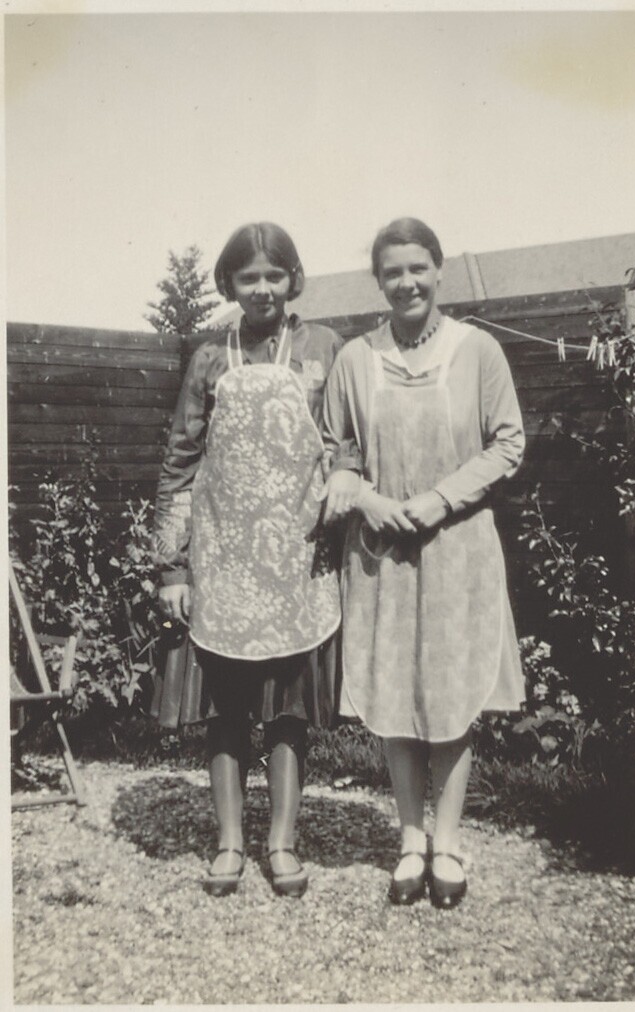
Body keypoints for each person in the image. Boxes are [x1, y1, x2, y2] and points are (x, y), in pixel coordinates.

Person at [322, 217, 526, 909]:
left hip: (457, 546)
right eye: (392, 272)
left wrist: (440, 499)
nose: (406, 282)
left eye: (417, 268)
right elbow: (335, 450)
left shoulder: (477, 350)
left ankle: (448, 844)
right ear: (377, 281)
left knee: (452, 693)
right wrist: (367, 500)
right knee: (393, 692)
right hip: (382, 552)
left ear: (438, 270)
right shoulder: (356, 359)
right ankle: (410, 841)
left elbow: (507, 444)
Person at [151, 222, 357, 898]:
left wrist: (343, 478)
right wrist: (172, 568)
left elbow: (348, 440)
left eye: (274, 275)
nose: (263, 288)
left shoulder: (325, 348)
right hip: (224, 564)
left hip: (297, 560)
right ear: (229, 284)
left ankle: (282, 843)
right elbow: (179, 465)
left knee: (288, 711)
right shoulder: (211, 358)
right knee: (228, 709)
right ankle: (230, 842)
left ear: (293, 279)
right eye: (249, 277)